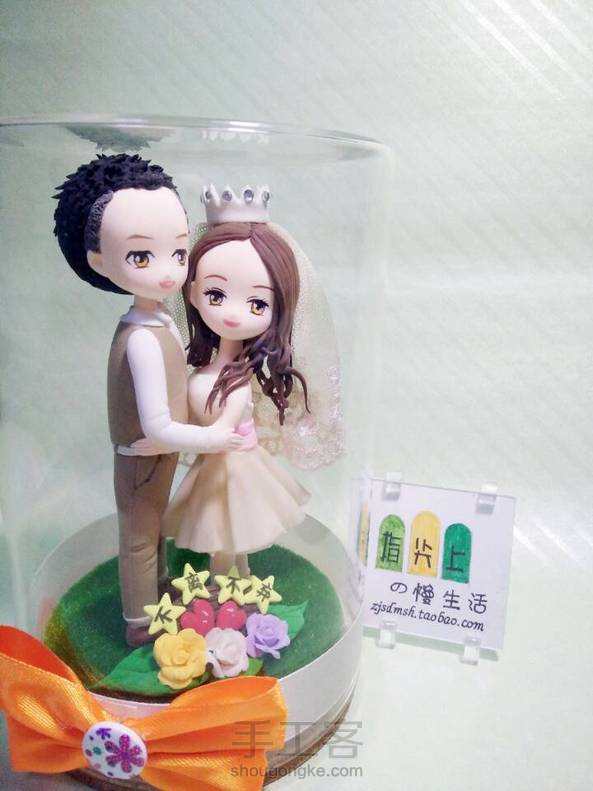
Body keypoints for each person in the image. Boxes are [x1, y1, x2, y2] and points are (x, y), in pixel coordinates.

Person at [53, 155, 241, 645]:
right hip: (146, 453)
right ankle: (139, 624)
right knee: (139, 537)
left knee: (153, 531)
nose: (166, 271)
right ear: (100, 261)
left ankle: (157, 595)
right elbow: (156, 424)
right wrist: (213, 437)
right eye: (141, 257)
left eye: (178, 253)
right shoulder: (140, 336)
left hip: (160, 452)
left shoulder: (160, 321)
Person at [163, 187, 311, 577]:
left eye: (258, 304)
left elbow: (223, 431)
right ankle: (236, 579)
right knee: (230, 531)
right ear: (192, 292)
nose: (233, 314)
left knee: (227, 532)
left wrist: (180, 436)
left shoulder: (238, 383)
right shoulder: (205, 371)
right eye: (215, 294)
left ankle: (224, 584)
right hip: (216, 464)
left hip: (233, 467)